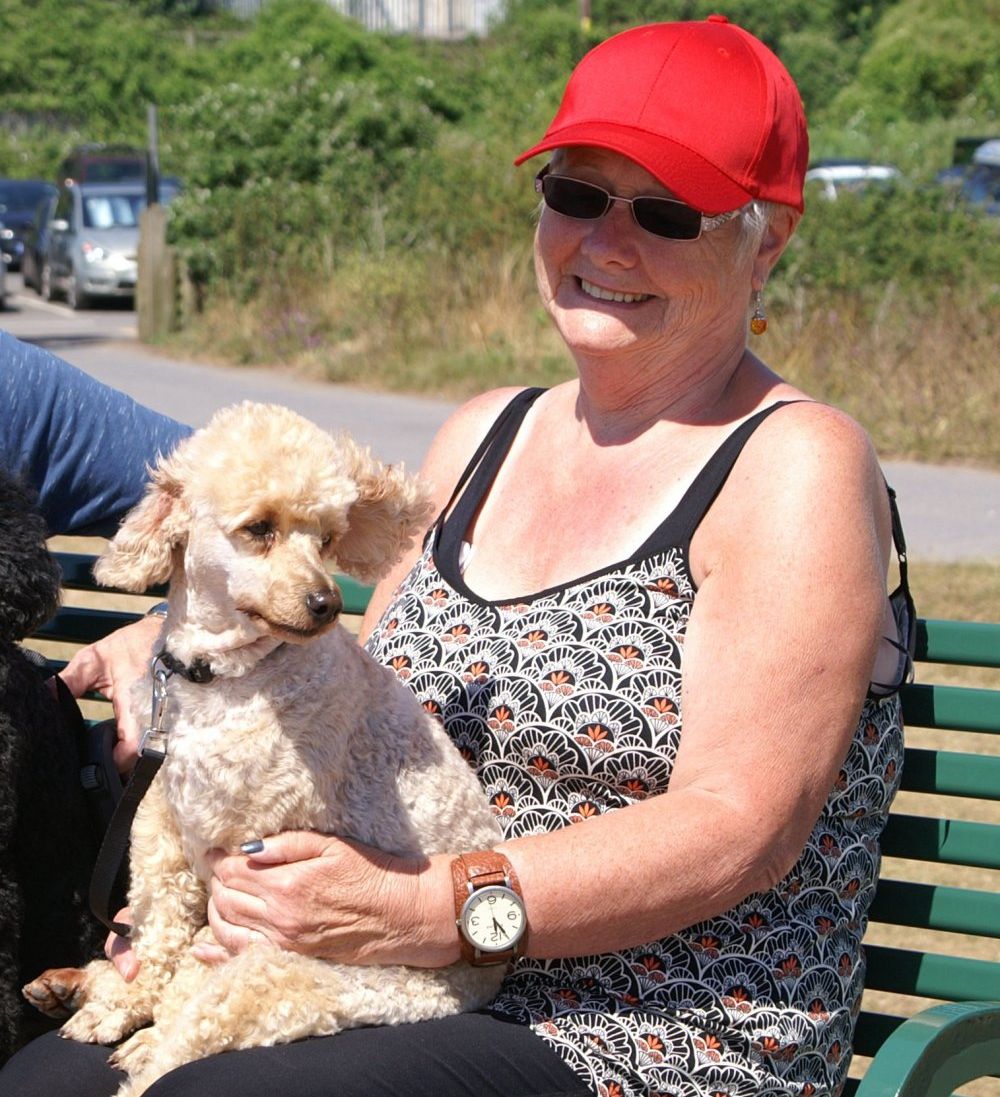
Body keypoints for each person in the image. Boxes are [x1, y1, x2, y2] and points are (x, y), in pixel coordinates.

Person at [0, 16, 911, 1097]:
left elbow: (736, 829)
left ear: (767, 242)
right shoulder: (484, 432)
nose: (608, 245)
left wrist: (434, 908)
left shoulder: (794, 464)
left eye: (667, 213)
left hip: (648, 1025)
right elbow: (352, 693)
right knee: (53, 1082)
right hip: (388, 973)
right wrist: (198, 637)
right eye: (577, 195)